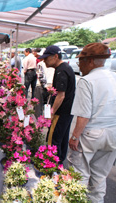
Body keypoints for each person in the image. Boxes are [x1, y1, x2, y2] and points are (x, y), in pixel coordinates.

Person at [67, 43, 116, 203]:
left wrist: (74, 137)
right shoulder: (113, 76)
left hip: (91, 135)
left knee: (79, 176)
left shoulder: (87, 81)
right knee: (100, 178)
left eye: (80, 61)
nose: (79, 65)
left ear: (90, 61)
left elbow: (83, 115)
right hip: (112, 133)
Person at [38, 45, 76, 164]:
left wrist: (52, 112)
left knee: (53, 139)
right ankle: (59, 162)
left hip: (61, 111)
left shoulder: (61, 70)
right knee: (62, 138)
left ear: (55, 56)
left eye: (46, 58)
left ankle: (51, 165)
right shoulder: (65, 68)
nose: (44, 61)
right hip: (68, 111)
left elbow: (61, 95)